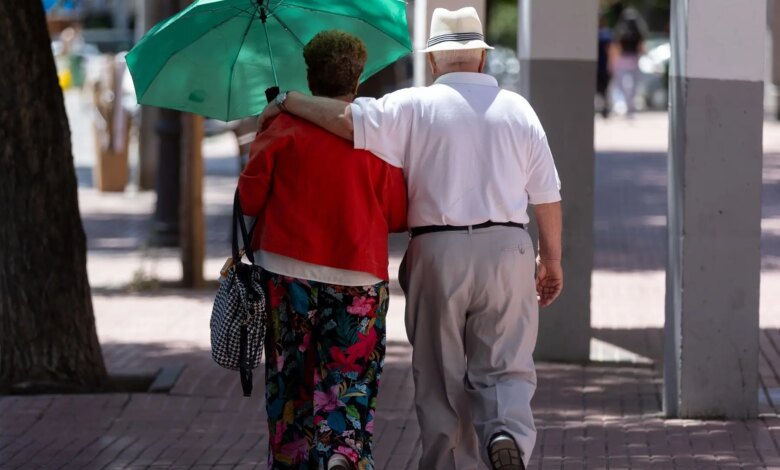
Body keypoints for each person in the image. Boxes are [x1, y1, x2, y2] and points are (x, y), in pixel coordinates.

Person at [258, 8, 563, 470]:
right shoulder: (519, 110)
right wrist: (551, 260)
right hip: (508, 247)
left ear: (435, 62)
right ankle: (505, 433)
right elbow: (547, 196)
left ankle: (444, 462)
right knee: (505, 364)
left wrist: (288, 101)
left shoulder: (412, 105)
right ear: (481, 57)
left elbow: (345, 118)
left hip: (437, 250)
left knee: (439, 375)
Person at [238, 31, 408, 470]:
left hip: (285, 270)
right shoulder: (376, 136)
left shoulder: (280, 127)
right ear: (357, 80)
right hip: (357, 275)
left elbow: (251, 200)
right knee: (349, 377)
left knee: (290, 381)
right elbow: (397, 213)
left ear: (311, 78)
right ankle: (342, 453)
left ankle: (294, 460)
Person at [611, 7, 648, 117]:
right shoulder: (638, 31)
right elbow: (641, 46)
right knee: (633, 85)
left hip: (623, 59)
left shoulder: (620, 30)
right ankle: (629, 106)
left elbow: (616, 46)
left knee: (622, 84)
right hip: (633, 59)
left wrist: (614, 61)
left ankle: (627, 105)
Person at [597, 14, 613, 118]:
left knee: (603, 90)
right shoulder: (606, 34)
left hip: (600, 67)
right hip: (602, 67)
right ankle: (604, 109)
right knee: (604, 91)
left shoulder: (603, 34)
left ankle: (604, 109)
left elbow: (610, 51)